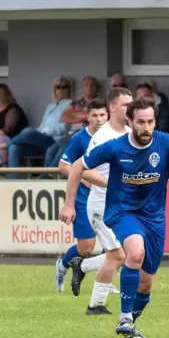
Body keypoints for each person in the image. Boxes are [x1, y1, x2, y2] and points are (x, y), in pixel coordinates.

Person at [60, 97, 169, 338]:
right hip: (122, 212)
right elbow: (78, 166)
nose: (146, 127)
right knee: (134, 252)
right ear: (130, 122)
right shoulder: (115, 147)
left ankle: (130, 323)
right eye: (141, 122)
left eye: (150, 122)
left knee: (145, 285)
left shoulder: (165, 143)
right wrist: (69, 203)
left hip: (154, 218)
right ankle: (124, 318)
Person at [68, 88, 133, 313]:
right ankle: (95, 304)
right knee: (119, 255)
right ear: (112, 108)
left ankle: (83, 268)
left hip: (121, 205)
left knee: (125, 254)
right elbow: (82, 170)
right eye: (126, 105)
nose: (130, 109)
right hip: (101, 206)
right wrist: (111, 183)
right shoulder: (102, 137)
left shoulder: (130, 131)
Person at [55, 99, 118, 295]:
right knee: (86, 248)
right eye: (94, 115)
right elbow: (64, 166)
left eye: (102, 115)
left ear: (108, 115)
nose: (99, 119)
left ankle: (105, 281)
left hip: (110, 196)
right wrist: (83, 177)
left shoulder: (114, 135)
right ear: (87, 117)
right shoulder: (80, 139)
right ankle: (62, 266)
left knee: (116, 244)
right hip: (84, 197)